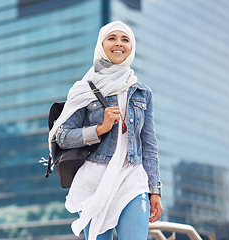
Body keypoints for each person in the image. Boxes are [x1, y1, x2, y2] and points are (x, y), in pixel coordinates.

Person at [48, 21, 163, 240]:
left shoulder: (142, 92)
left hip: (132, 178)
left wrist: (154, 190)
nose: (119, 44)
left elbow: (149, 145)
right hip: (95, 181)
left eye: (125, 39)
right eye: (112, 38)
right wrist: (99, 129)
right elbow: (61, 136)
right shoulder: (84, 88)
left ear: (132, 47)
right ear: (101, 45)